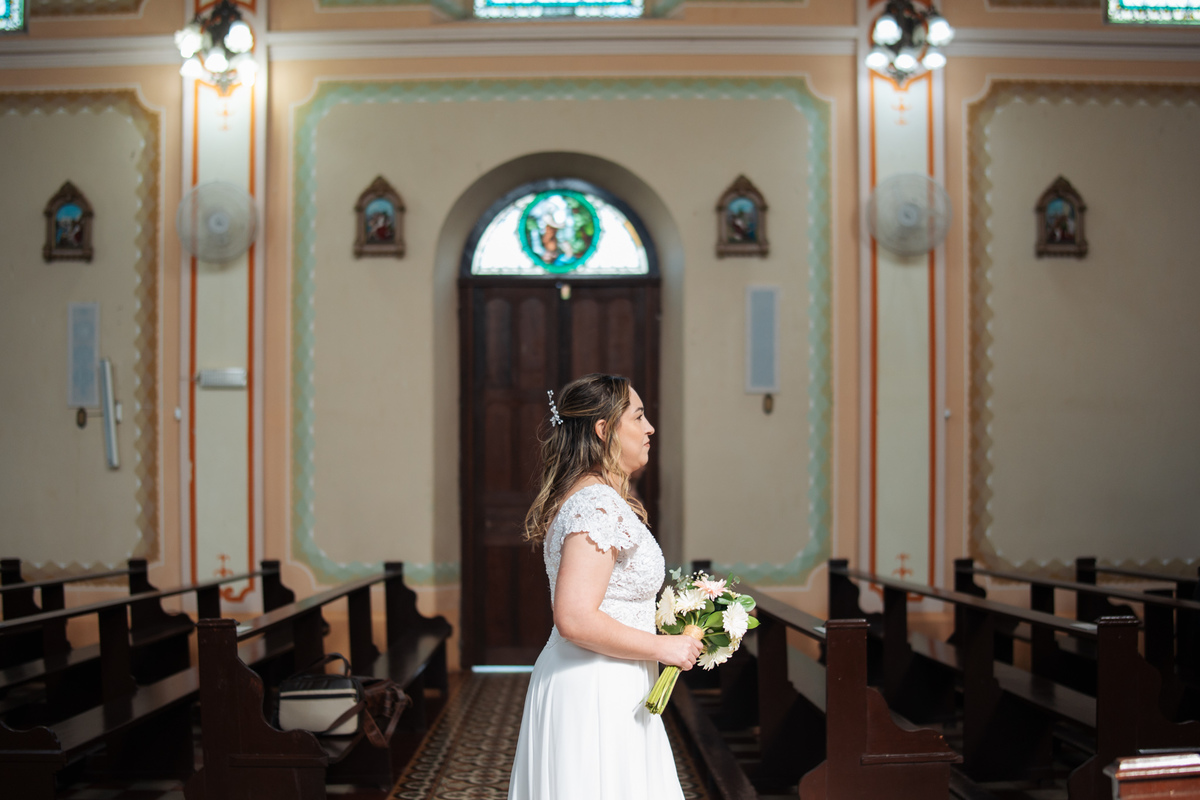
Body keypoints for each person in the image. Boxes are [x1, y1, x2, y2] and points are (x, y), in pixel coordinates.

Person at [507, 373, 704, 800]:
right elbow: (575, 617)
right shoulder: (596, 504)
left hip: (613, 679)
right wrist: (663, 647)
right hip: (593, 686)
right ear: (604, 429)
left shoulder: (599, 498)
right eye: (638, 416)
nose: (650, 427)